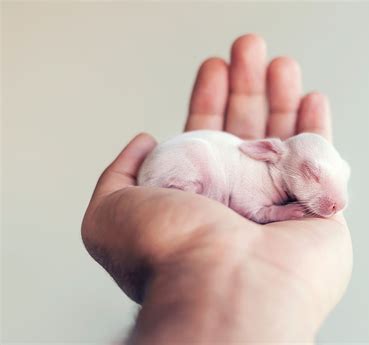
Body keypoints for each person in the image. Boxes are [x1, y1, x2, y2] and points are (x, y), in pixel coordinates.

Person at [81, 34, 353, 344]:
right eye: (312, 174)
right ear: (270, 152)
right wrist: (277, 212)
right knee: (198, 156)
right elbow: (255, 209)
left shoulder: (276, 173)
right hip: (178, 165)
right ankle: (181, 186)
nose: (337, 204)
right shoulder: (261, 172)